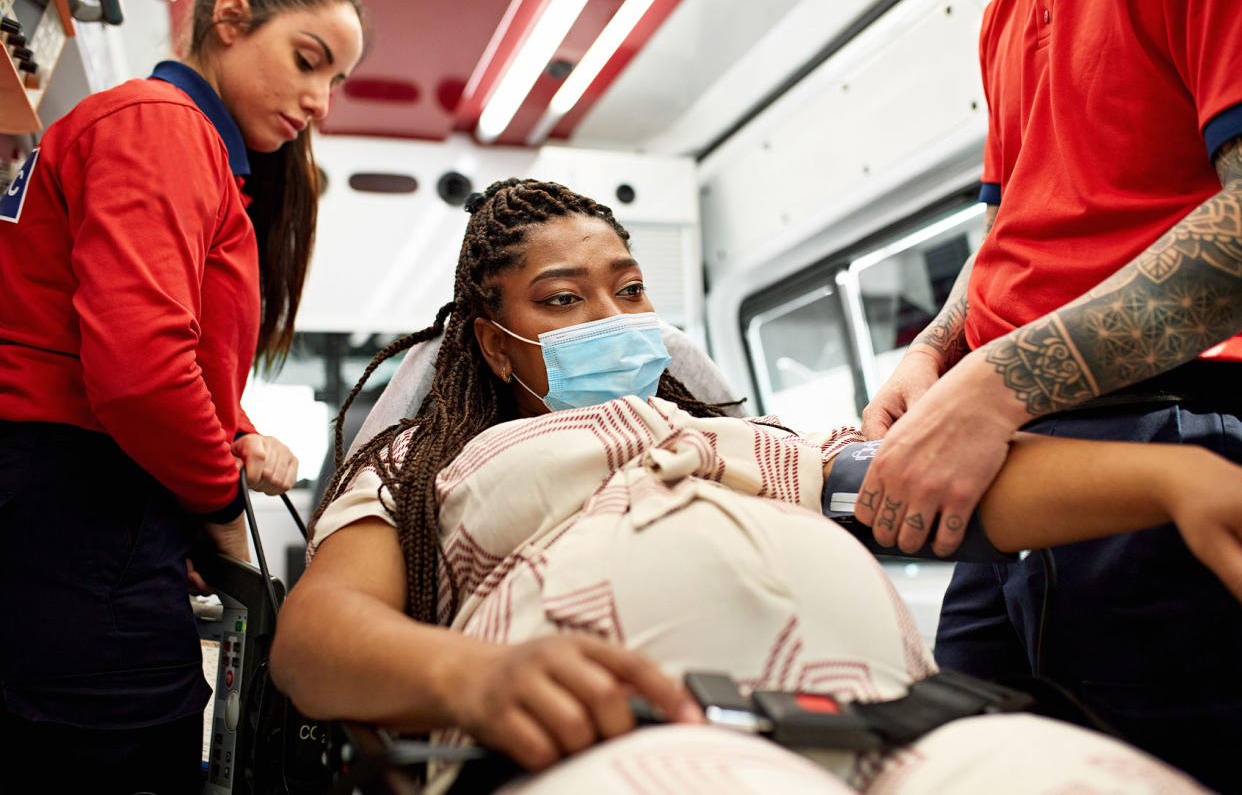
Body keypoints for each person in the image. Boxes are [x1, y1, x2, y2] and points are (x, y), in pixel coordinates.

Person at [271, 179, 1240, 793]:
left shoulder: (746, 437)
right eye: (564, 299)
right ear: (493, 338)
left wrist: (1173, 478)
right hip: (628, 735)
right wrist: (467, 678)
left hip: (898, 726)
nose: (614, 315)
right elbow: (315, 639)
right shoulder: (420, 466)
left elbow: (941, 485)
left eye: (631, 287)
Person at [853, 0, 1242, 789]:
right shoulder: (1004, 7)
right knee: (967, 760)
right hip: (1015, 447)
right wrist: (933, 351)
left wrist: (993, 384)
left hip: (1163, 418)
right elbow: (1007, 234)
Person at [0, 0, 364, 791]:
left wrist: (230, 434)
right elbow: (139, 374)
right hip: (77, 498)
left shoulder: (185, 146)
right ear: (229, 19)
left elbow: (165, 351)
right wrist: (222, 515)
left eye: (335, 81)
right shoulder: (162, 125)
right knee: (128, 751)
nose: (320, 103)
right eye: (308, 61)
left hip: (79, 503)